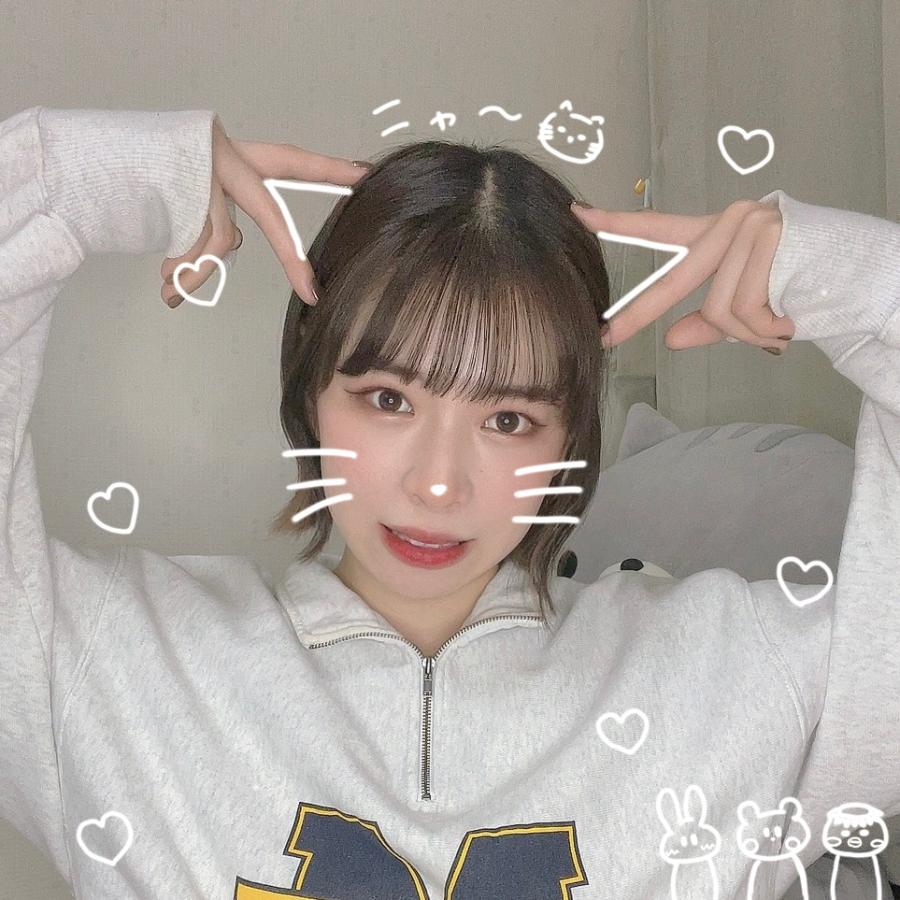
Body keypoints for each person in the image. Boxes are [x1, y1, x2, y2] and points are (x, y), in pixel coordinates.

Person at [0, 105, 896, 900]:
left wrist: (859, 286)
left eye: (508, 419)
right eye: (388, 399)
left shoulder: (734, 680)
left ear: (569, 439)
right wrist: (72, 179)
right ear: (310, 392)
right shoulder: (108, 669)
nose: (438, 484)